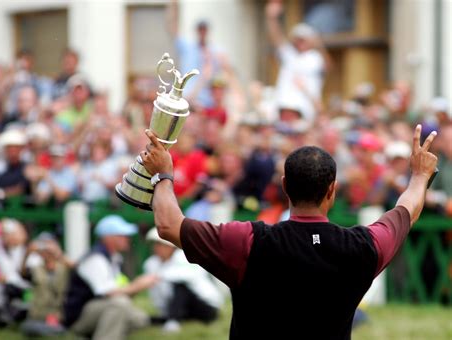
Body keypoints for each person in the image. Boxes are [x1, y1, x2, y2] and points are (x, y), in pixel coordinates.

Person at [139, 124, 438, 339]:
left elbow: (168, 225)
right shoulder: (364, 246)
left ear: (284, 186)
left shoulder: (248, 242)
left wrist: (163, 173)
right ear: (332, 190)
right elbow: (407, 211)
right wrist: (420, 175)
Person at [62, 215, 156, 340]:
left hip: (98, 310)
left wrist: (135, 288)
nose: (127, 239)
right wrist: (137, 286)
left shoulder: (114, 258)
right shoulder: (95, 259)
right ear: (108, 238)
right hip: (78, 318)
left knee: (140, 319)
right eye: (122, 235)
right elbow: (108, 292)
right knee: (120, 304)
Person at [143, 227, 223, 332]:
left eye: (160, 244)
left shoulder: (185, 257)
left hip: (206, 306)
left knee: (180, 286)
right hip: (181, 309)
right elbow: (156, 292)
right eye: (155, 244)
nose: (156, 248)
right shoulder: (151, 264)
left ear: (171, 246)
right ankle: (171, 318)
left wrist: (155, 277)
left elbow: (182, 277)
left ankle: (173, 321)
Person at [265, 1, 329, 122]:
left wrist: (319, 44)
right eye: (298, 40)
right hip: (283, 106)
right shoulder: (289, 54)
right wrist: (271, 18)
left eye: (303, 40)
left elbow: (328, 66)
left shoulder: (316, 57)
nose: (300, 43)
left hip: (305, 110)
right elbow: (276, 38)